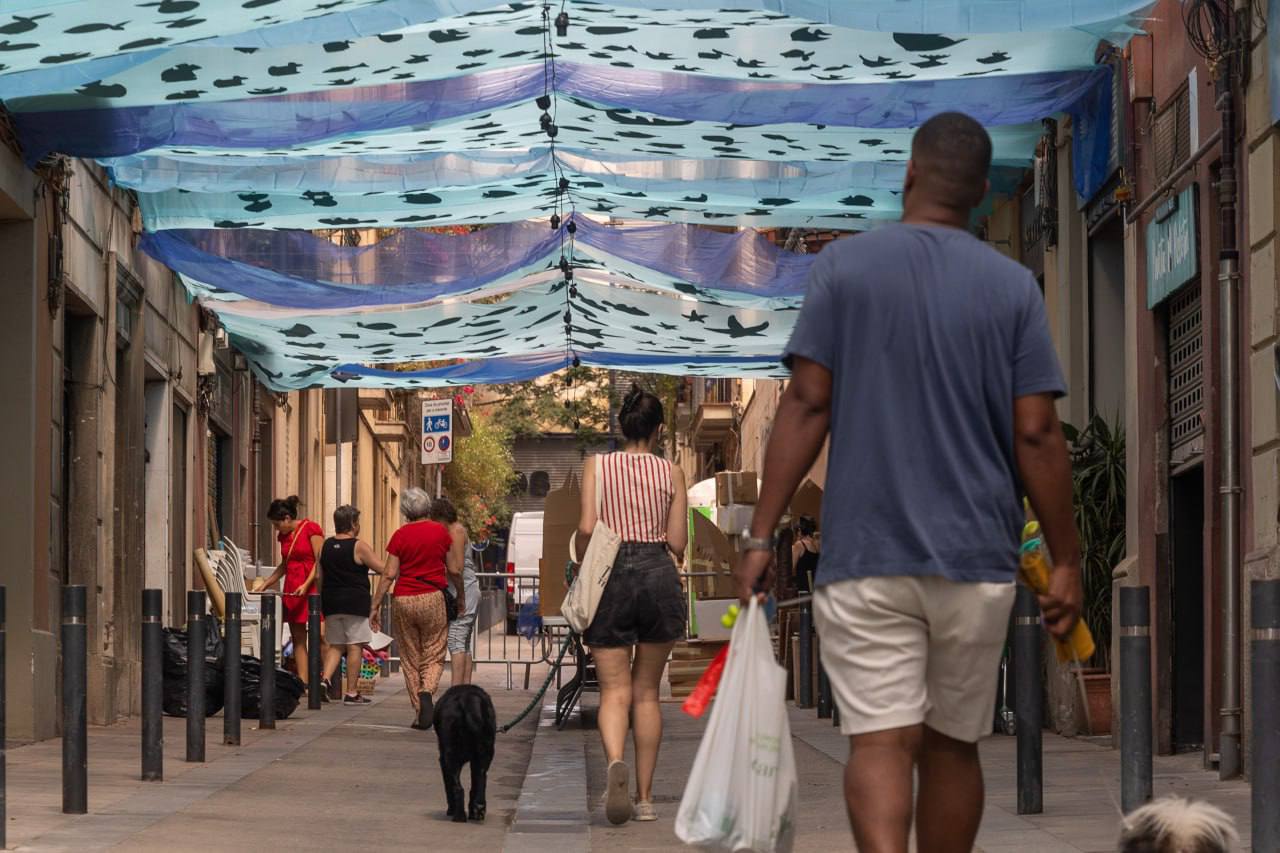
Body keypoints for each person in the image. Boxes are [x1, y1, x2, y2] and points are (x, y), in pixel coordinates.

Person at [735, 112, 1082, 853]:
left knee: (881, 743)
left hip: (866, 555)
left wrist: (762, 534)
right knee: (953, 745)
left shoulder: (843, 270)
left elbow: (805, 404)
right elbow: (1037, 433)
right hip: (974, 559)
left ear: (909, 175)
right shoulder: (1014, 287)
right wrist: (1069, 560)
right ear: (983, 192)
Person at [575, 384, 688, 825]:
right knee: (646, 694)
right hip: (659, 576)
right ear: (659, 430)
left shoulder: (597, 465)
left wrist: (584, 561)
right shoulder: (671, 472)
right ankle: (643, 798)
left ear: (622, 427)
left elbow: (586, 527)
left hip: (611, 574)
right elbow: (677, 542)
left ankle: (614, 767)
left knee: (614, 692)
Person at [372, 487, 461, 730]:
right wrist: (461, 596)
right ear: (428, 508)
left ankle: (420, 711)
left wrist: (376, 604)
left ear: (405, 511)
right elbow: (454, 570)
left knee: (410, 657)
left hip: (404, 598)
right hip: (433, 597)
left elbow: (389, 573)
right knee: (434, 652)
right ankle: (427, 691)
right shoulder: (441, 533)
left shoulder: (400, 535)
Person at [254, 496, 328, 695]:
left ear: (287, 518)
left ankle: (326, 678)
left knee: (321, 634)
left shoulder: (311, 529)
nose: (276, 528)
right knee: (298, 637)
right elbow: (284, 565)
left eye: (277, 524)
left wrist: (306, 584)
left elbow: (319, 560)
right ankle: (303, 682)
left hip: (311, 586)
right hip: (293, 587)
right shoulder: (284, 537)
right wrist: (267, 584)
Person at [317, 505, 389, 705]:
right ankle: (351, 692)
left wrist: (323, 598)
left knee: (336, 644)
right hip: (355, 602)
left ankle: (324, 680)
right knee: (355, 645)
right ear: (353, 525)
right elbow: (383, 568)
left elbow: (318, 576)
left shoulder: (325, 546)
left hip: (331, 601)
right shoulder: (359, 546)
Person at [430, 497, 479, 687]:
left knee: (456, 640)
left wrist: (460, 597)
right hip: (464, 590)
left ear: (442, 517)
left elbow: (456, 568)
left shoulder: (456, 531)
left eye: (435, 521)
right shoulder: (455, 530)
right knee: (463, 642)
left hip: (464, 590)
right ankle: (464, 688)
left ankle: (456, 689)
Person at [791, 515, 819, 594]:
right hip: (816, 585)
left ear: (799, 530)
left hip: (803, 588)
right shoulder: (817, 544)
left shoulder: (799, 545)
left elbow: (791, 567)